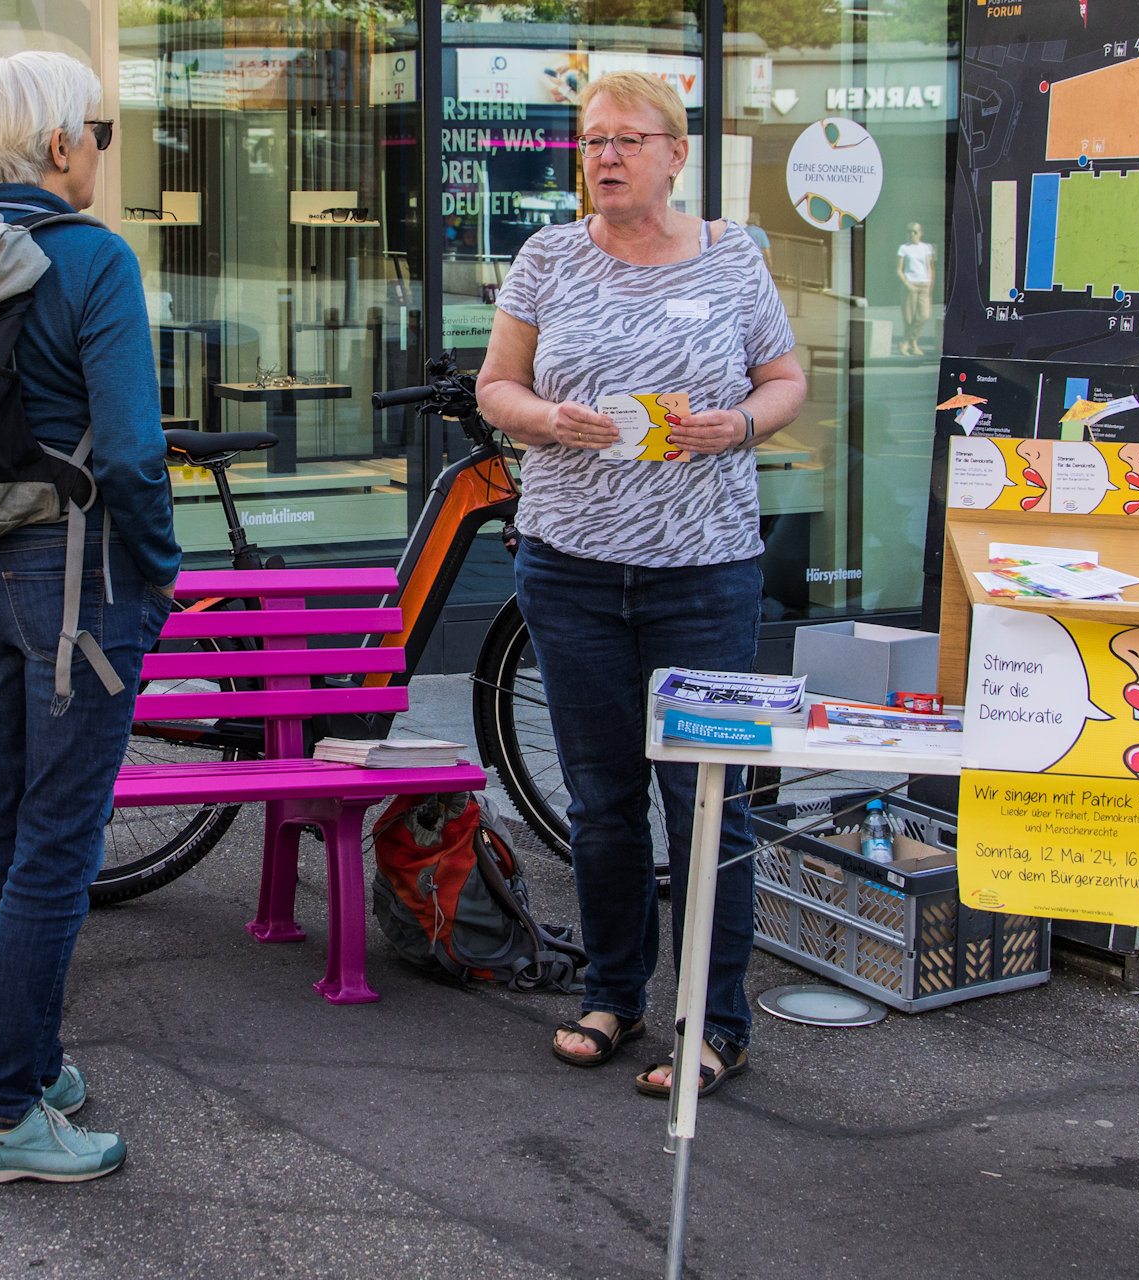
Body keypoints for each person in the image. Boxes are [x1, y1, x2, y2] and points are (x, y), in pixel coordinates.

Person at [476, 71, 807, 1099]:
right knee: (605, 800)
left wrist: (740, 423)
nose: (606, 157)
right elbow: (497, 385)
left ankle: (716, 1023)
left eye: (627, 139)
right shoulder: (548, 257)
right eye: (592, 141)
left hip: (703, 572)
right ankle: (614, 992)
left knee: (707, 802)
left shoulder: (733, 259)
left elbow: (787, 379)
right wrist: (544, 419)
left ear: (674, 154)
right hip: (571, 569)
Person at [0, 50, 181, 1184]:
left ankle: (26, 1064)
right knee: (59, 843)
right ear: (56, 146)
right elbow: (132, 448)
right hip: (77, 580)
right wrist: (164, 571)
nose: (101, 146)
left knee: (4, 830)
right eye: (100, 128)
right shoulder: (91, 261)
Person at [897, 222, 935, 357]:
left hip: (924, 285)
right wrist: (907, 284)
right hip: (910, 284)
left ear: (920, 233)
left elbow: (930, 267)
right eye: (909, 231)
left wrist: (930, 284)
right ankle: (914, 345)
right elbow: (899, 270)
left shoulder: (926, 248)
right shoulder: (904, 248)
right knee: (909, 318)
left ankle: (905, 343)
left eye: (914, 231)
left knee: (924, 315)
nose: (911, 234)